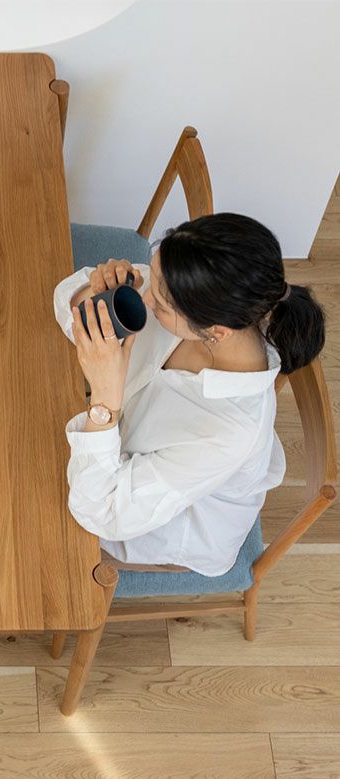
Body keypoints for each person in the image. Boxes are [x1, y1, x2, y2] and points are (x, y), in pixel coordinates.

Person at [53, 213, 326, 575]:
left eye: (161, 305)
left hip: (158, 526)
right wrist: (97, 293)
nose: (145, 299)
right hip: (115, 452)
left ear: (216, 331)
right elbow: (63, 299)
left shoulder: (229, 432)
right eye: (153, 279)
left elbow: (100, 511)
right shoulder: (189, 292)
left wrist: (105, 400)